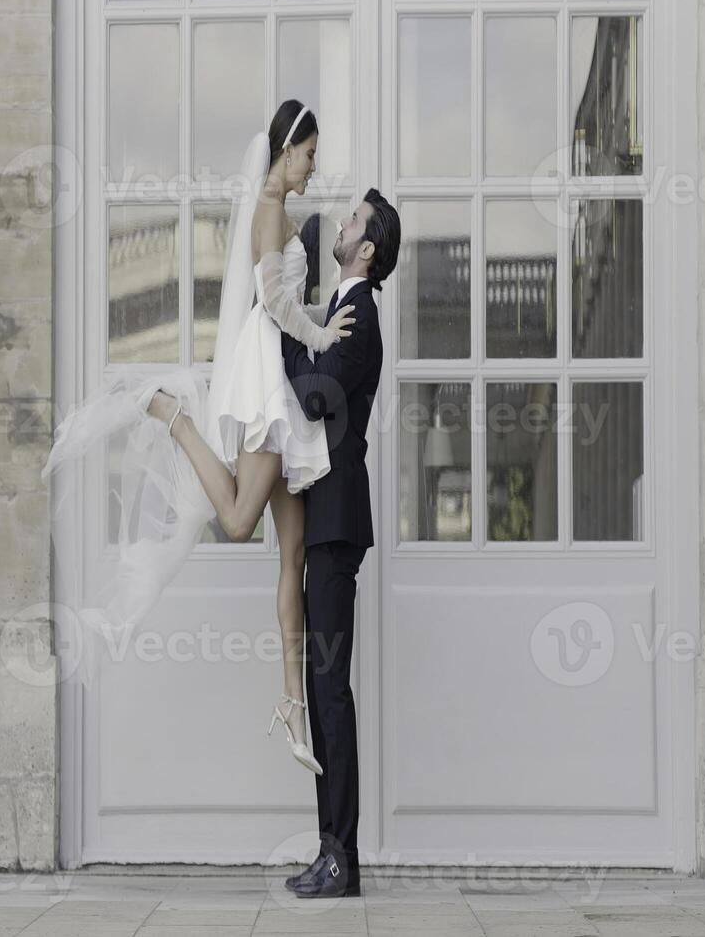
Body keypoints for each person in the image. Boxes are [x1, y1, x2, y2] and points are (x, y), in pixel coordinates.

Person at [41, 99, 354, 773]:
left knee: (292, 557)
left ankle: (291, 705)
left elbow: (291, 285)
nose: (313, 168)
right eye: (309, 155)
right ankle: (176, 418)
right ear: (286, 148)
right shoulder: (269, 206)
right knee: (241, 522)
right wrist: (322, 333)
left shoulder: (281, 208)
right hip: (269, 378)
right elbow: (271, 301)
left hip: (284, 379)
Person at [278, 188, 399, 901]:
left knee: (330, 691)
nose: (343, 224)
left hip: (333, 524)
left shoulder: (358, 313)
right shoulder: (344, 307)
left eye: (352, 220)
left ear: (368, 248)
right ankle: (333, 852)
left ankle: (340, 856)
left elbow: (317, 394)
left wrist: (289, 330)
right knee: (325, 688)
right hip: (321, 520)